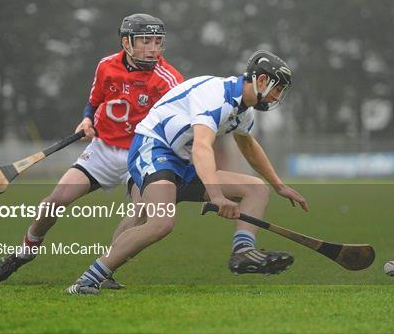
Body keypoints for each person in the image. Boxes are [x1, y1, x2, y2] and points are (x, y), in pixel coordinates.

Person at [67, 50, 309, 294]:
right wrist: (215, 195)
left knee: (257, 190)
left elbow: (247, 144)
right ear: (262, 81)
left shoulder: (243, 111)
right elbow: (202, 147)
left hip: (182, 163)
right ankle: (85, 281)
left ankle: (243, 253)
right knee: (160, 222)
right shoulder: (216, 95)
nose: (278, 96)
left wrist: (278, 184)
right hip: (153, 149)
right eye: (278, 89)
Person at [0, 14, 184, 287]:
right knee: (55, 201)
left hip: (141, 154)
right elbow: (94, 102)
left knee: (143, 213)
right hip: (103, 149)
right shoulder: (106, 66)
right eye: (145, 41)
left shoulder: (168, 79)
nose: (153, 48)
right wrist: (87, 120)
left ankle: (105, 271)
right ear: (126, 42)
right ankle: (26, 250)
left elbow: (180, 122)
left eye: (158, 42)